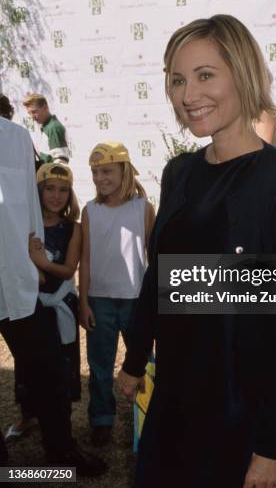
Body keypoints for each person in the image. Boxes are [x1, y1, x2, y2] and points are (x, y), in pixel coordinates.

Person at [118, 14, 276, 488]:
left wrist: (272, 447)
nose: (188, 95)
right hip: (174, 403)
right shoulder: (179, 173)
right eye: (176, 80)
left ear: (243, 73)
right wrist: (133, 362)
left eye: (205, 75)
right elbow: (160, 278)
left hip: (243, 415)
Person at [0, 115, 107, 475]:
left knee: (49, 369)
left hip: (18, 278)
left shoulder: (14, 136)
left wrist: (36, 261)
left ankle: (60, 448)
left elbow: (29, 199)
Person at [79, 142, 155, 446]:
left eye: (106, 171)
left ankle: (148, 418)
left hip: (137, 301)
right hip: (99, 301)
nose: (100, 179)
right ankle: (101, 419)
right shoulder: (89, 210)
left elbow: (155, 255)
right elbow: (84, 259)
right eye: (95, 173)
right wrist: (83, 301)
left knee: (143, 363)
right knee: (99, 366)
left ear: (124, 171)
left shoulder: (143, 208)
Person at [8, 163, 82, 439]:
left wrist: (41, 263)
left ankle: (61, 422)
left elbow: (68, 270)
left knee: (62, 364)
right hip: (31, 304)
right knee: (27, 363)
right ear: (37, 191)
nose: (56, 195)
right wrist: (33, 270)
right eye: (49, 188)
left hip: (61, 305)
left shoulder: (73, 228)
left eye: (64, 190)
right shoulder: (23, 226)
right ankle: (28, 415)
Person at [23, 93, 69, 164]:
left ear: (45, 107)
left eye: (34, 112)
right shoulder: (47, 127)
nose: (32, 116)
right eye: (29, 113)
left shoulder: (53, 128)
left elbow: (60, 162)